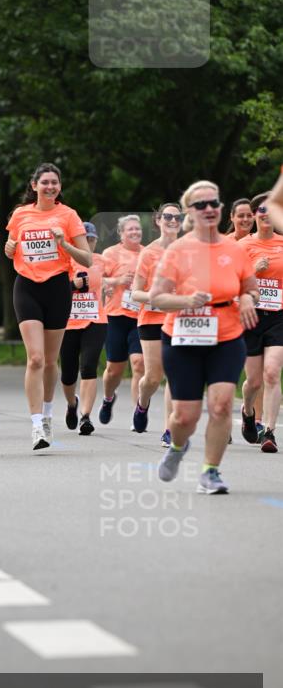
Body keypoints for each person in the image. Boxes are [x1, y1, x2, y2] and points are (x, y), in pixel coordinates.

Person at [150, 180, 259, 494]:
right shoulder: (177, 250)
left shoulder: (234, 250)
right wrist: (186, 301)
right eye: (201, 205)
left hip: (225, 336)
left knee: (223, 404)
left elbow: (249, 286)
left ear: (220, 208)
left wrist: (249, 299)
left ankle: (210, 471)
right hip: (182, 338)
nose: (209, 209)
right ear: (190, 212)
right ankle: (178, 446)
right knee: (185, 416)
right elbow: (157, 298)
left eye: (214, 203)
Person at [4, 163, 91, 450]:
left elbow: (87, 259)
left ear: (59, 187)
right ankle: (36, 424)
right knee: (36, 359)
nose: (50, 187)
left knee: (51, 361)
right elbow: (11, 246)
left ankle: (49, 412)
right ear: (34, 186)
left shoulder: (68, 215)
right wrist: (9, 249)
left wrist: (64, 243)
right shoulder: (20, 214)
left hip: (57, 287)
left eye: (55, 182)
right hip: (27, 285)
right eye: (45, 182)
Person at [130, 203, 182, 442]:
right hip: (151, 319)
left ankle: (169, 430)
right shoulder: (148, 253)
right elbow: (135, 293)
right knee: (153, 377)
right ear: (159, 220)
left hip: (179, 318)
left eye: (177, 217)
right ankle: (142, 403)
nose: (173, 221)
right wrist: (155, 297)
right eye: (168, 216)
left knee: (174, 374)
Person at [239, 192, 283, 453]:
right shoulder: (242, 246)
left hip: (279, 316)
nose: (266, 216)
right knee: (253, 382)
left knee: (272, 373)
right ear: (255, 215)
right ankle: (247, 411)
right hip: (251, 315)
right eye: (262, 211)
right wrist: (253, 269)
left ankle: (269, 432)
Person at [60, 222, 106, 435]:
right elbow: (55, 290)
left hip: (95, 321)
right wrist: (72, 286)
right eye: (84, 239)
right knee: (68, 374)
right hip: (67, 322)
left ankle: (86, 417)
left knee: (88, 367)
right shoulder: (64, 261)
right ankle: (72, 404)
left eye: (92, 239)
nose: (88, 242)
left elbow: (102, 280)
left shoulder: (100, 261)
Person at [99, 215, 144, 425]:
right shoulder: (110, 254)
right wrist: (117, 281)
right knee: (113, 370)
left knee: (139, 363)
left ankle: (139, 412)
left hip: (140, 316)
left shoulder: (147, 254)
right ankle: (108, 398)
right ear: (121, 234)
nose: (135, 232)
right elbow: (97, 278)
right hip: (116, 315)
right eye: (130, 230)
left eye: (137, 229)